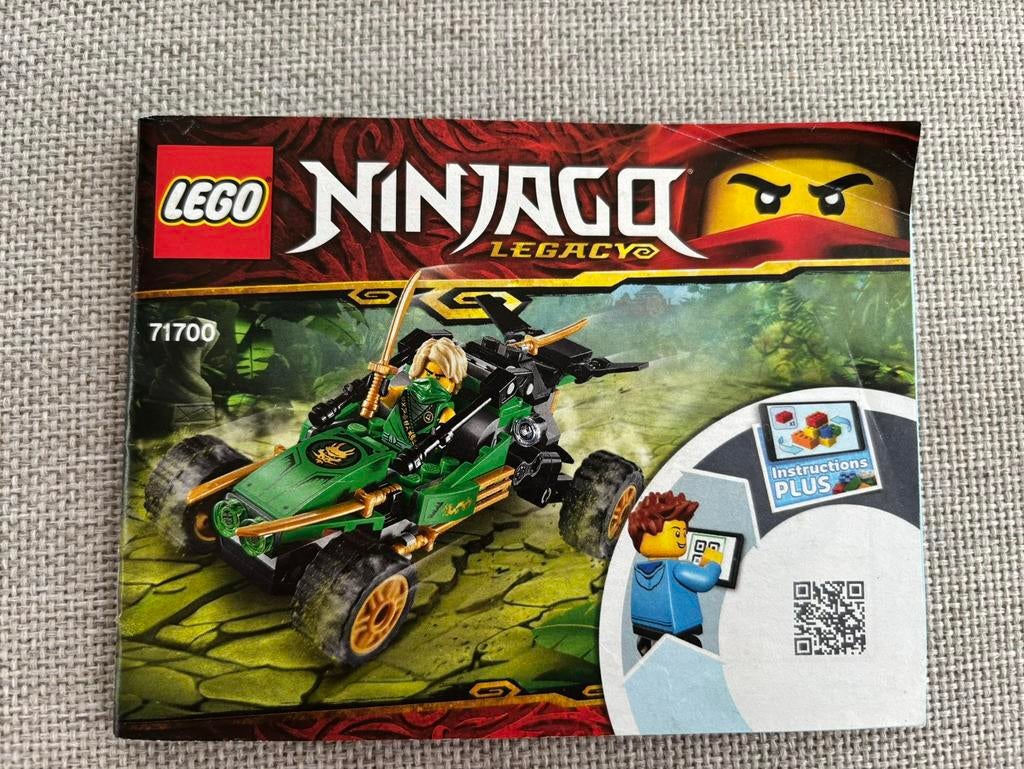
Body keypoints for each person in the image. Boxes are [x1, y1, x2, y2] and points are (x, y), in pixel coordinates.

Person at [628, 490, 722, 654]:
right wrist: (714, 563)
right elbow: (705, 581)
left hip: (643, 627)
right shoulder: (678, 568)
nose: (682, 539)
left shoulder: (639, 569)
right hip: (678, 631)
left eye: (683, 534)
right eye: (677, 533)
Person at [377, 337, 468, 450]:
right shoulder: (406, 391)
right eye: (428, 373)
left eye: (439, 377)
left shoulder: (445, 410)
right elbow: (389, 398)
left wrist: (441, 434)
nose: (432, 381)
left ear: (454, 382)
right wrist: (382, 388)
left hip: (414, 454)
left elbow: (445, 429)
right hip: (387, 437)